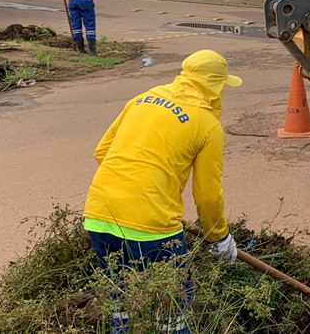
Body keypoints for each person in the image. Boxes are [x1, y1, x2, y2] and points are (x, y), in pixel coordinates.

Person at [84, 50, 243, 334]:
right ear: (216, 87)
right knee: (172, 313)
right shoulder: (207, 125)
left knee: (122, 302)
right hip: (152, 226)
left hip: (99, 213)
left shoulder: (142, 99)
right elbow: (207, 195)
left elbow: (102, 152)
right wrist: (219, 237)